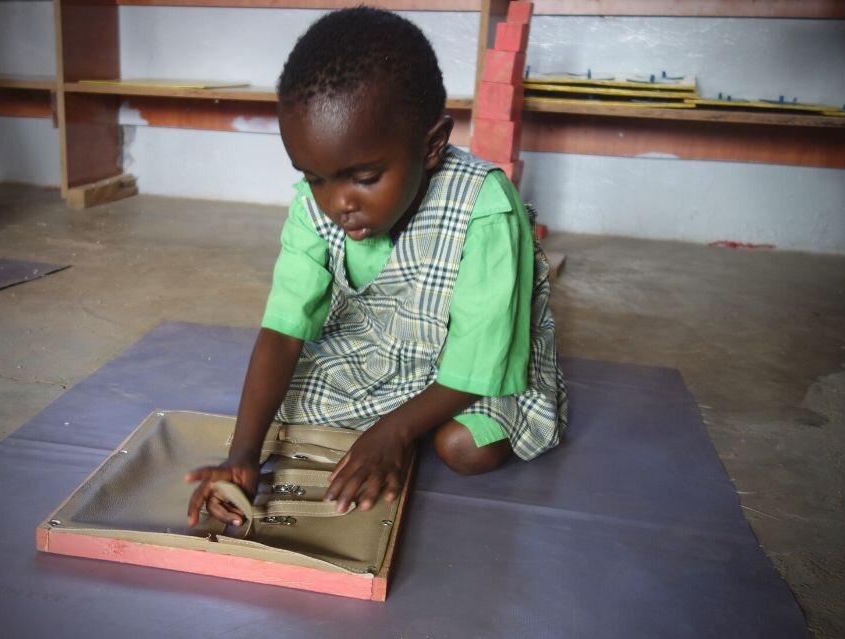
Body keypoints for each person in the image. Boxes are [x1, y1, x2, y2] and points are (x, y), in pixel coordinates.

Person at [186, 7, 567, 528]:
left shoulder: (484, 207)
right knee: (288, 419)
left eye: (364, 176)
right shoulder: (312, 204)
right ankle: (394, 418)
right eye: (314, 177)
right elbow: (283, 332)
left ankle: (409, 421)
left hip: (474, 361)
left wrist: (390, 433)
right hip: (382, 344)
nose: (336, 202)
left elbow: (480, 361)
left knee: (463, 448)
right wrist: (242, 455)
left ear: (432, 145)